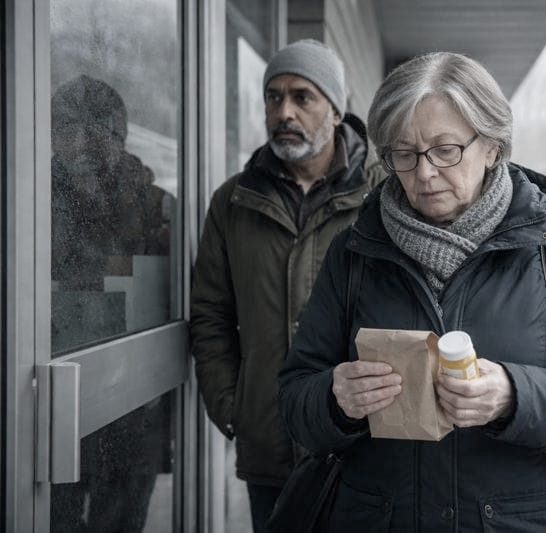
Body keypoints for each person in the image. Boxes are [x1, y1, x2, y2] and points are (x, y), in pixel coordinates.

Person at [277, 51, 546, 532]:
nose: (424, 173)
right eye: (404, 155)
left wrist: (515, 396)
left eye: (445, 149)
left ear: (492, 146)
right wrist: (334, 399)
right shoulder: (355, 251)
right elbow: (294, 398)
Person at [189, 38, 385, 532]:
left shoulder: (383, 193)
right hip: (270, 446)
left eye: (303, 96)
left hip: (366, 442)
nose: (284, 111)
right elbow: (210, 312)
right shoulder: (233, 200)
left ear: (336, 110)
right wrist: (233, 407)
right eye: (273, 97)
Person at [50, 75, 172, 532]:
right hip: (50, 395)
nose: (80, 143)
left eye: (95, 129)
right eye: (66, 129)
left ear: (118, 136)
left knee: (120, 521)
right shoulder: (26, 201)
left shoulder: (155, 206)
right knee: (52, 516)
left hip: (133, 401)